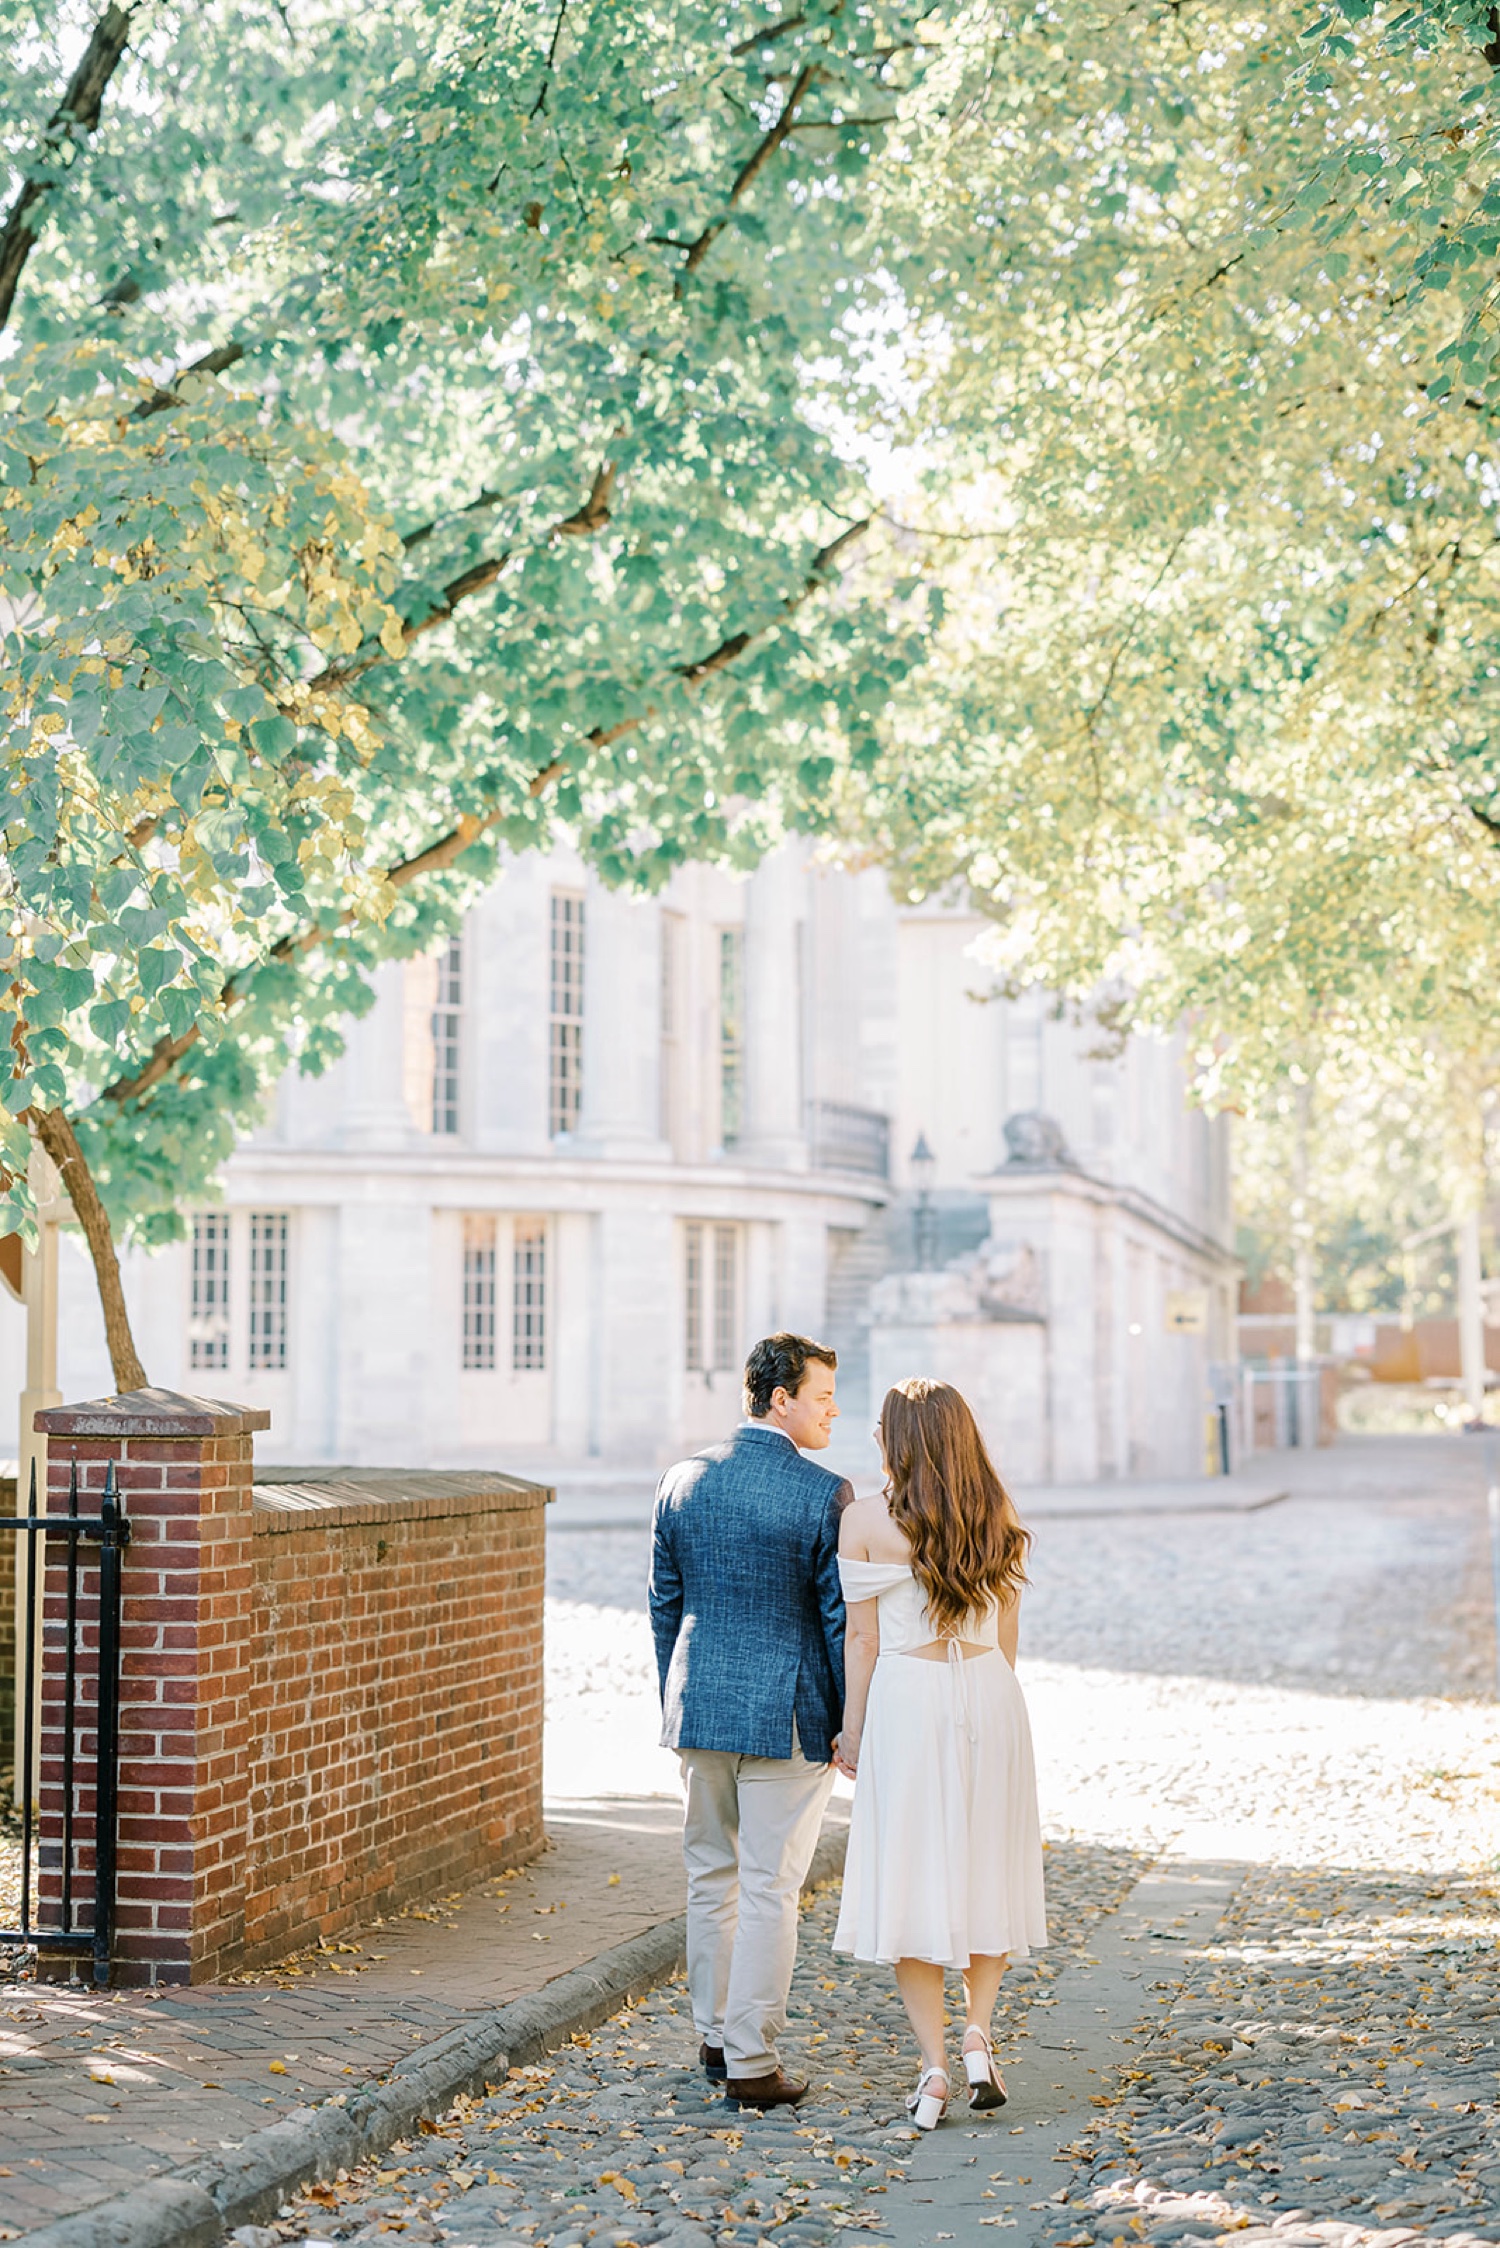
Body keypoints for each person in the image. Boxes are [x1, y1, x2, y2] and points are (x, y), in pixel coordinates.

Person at [832, 1377, 1046, 2130]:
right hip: (990, 1693)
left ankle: (933, 2071)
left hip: (909, 1697)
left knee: (910, 1874)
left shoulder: (865, 1519)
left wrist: (852, 1730)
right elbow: (1009, 1634)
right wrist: (989, 1708)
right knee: (987, 1865)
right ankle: (980, 2034)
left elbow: (862, 1639)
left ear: (899, 1439)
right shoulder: (1000, 1513)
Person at [649, 1332, 851, 2109]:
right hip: (789, 1716)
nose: (833, 1411)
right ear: (781, 1400)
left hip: (699, 1707)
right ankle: (752, 2061)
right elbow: (837, 1623)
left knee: (710, 1878)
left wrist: (679, 1700)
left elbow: (665, 1605)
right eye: (823, 1397)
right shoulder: (822, 1491)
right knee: (770, 1888)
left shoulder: (682, 1479)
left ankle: (712, 2035)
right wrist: (844, 1723)